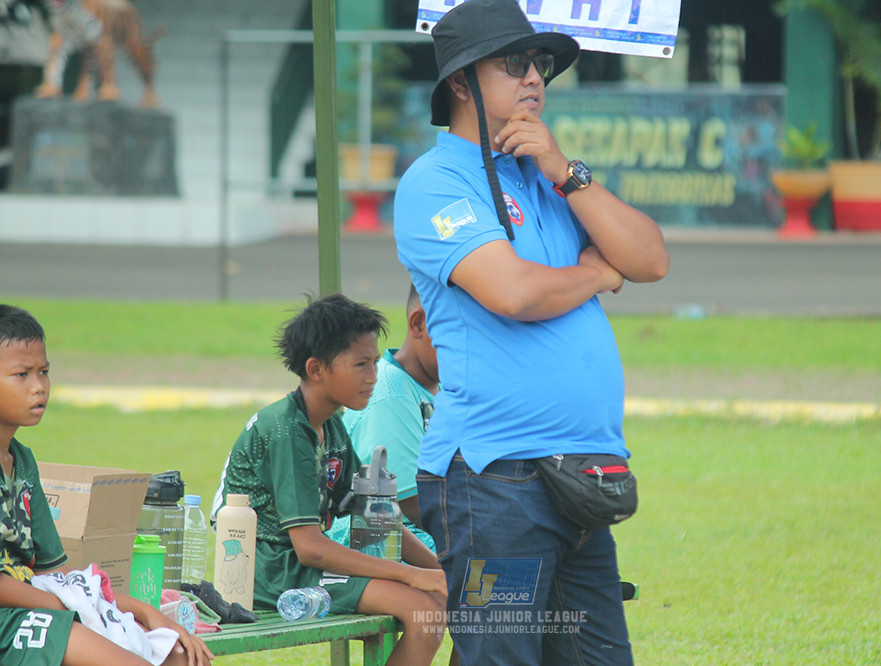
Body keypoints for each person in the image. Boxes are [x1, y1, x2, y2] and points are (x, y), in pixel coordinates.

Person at [392, 1, 670, 664]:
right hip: (495, 485)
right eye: (513, 64)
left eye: (540, 64)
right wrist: (595, 277)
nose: (534, 79)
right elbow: (513, 292)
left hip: (580, 478)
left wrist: (566, 169)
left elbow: (650, 259)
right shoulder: (434, 183)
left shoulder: (547, 175)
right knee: (503, 657)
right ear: (461, 82)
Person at [213, 294, 447, 666]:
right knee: (425, 612)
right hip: (271, 572)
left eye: (374, 363)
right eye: (361, 365)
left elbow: (376, 516)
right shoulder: (288, 431)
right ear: (317, 369)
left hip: (300, 567)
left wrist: (438, 569)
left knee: (435, 601)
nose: (372, 376)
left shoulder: (332, 426)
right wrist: (411, 575)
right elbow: (311, 548)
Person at [0, 304, 214, 666]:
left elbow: (57, 573)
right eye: (22, 374)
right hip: (14, 616)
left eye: (44, 371)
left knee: (180, 657)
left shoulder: (22, 462)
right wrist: (70, 606)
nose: (39, 387)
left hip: (41, 605)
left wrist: (146, 612)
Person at [326, 284, 439, 551]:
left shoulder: (445, 387)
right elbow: (412, 506)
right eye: (464, 333)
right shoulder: (391, 392)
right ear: (420, 323)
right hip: (394, 539)